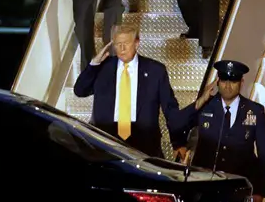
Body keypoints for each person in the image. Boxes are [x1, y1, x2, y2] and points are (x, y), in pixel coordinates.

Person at [73, 26, 188, 158]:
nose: (122, 49)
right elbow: (80, 90)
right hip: (106, 142)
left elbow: (170, 108)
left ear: (136, 43)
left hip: (144, 143)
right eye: (118, 44)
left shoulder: (155, 70)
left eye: (126, 44)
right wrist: (93, 64)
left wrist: (178, 142)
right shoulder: (102, 68)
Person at [181, 60, 265, 202]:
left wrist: (260, 190)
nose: (228, 85)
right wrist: (199, 102)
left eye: (233, 80)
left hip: (240, 185)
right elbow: (178, 123)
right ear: (217, 81)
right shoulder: (205, 106)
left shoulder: (255, 111)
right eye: (224, 80)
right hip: (204, 185)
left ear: (241, 82)